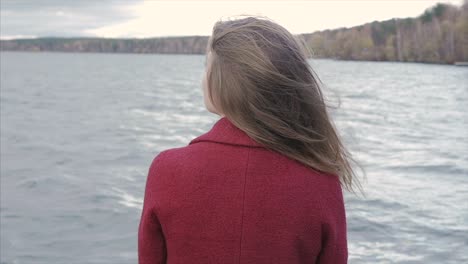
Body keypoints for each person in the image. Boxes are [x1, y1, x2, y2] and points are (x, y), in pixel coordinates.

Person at [138, 16, 361, 264]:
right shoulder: (321, 179)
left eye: (206, 66)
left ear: (224, 80)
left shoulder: (168, 170)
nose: (202, 79)